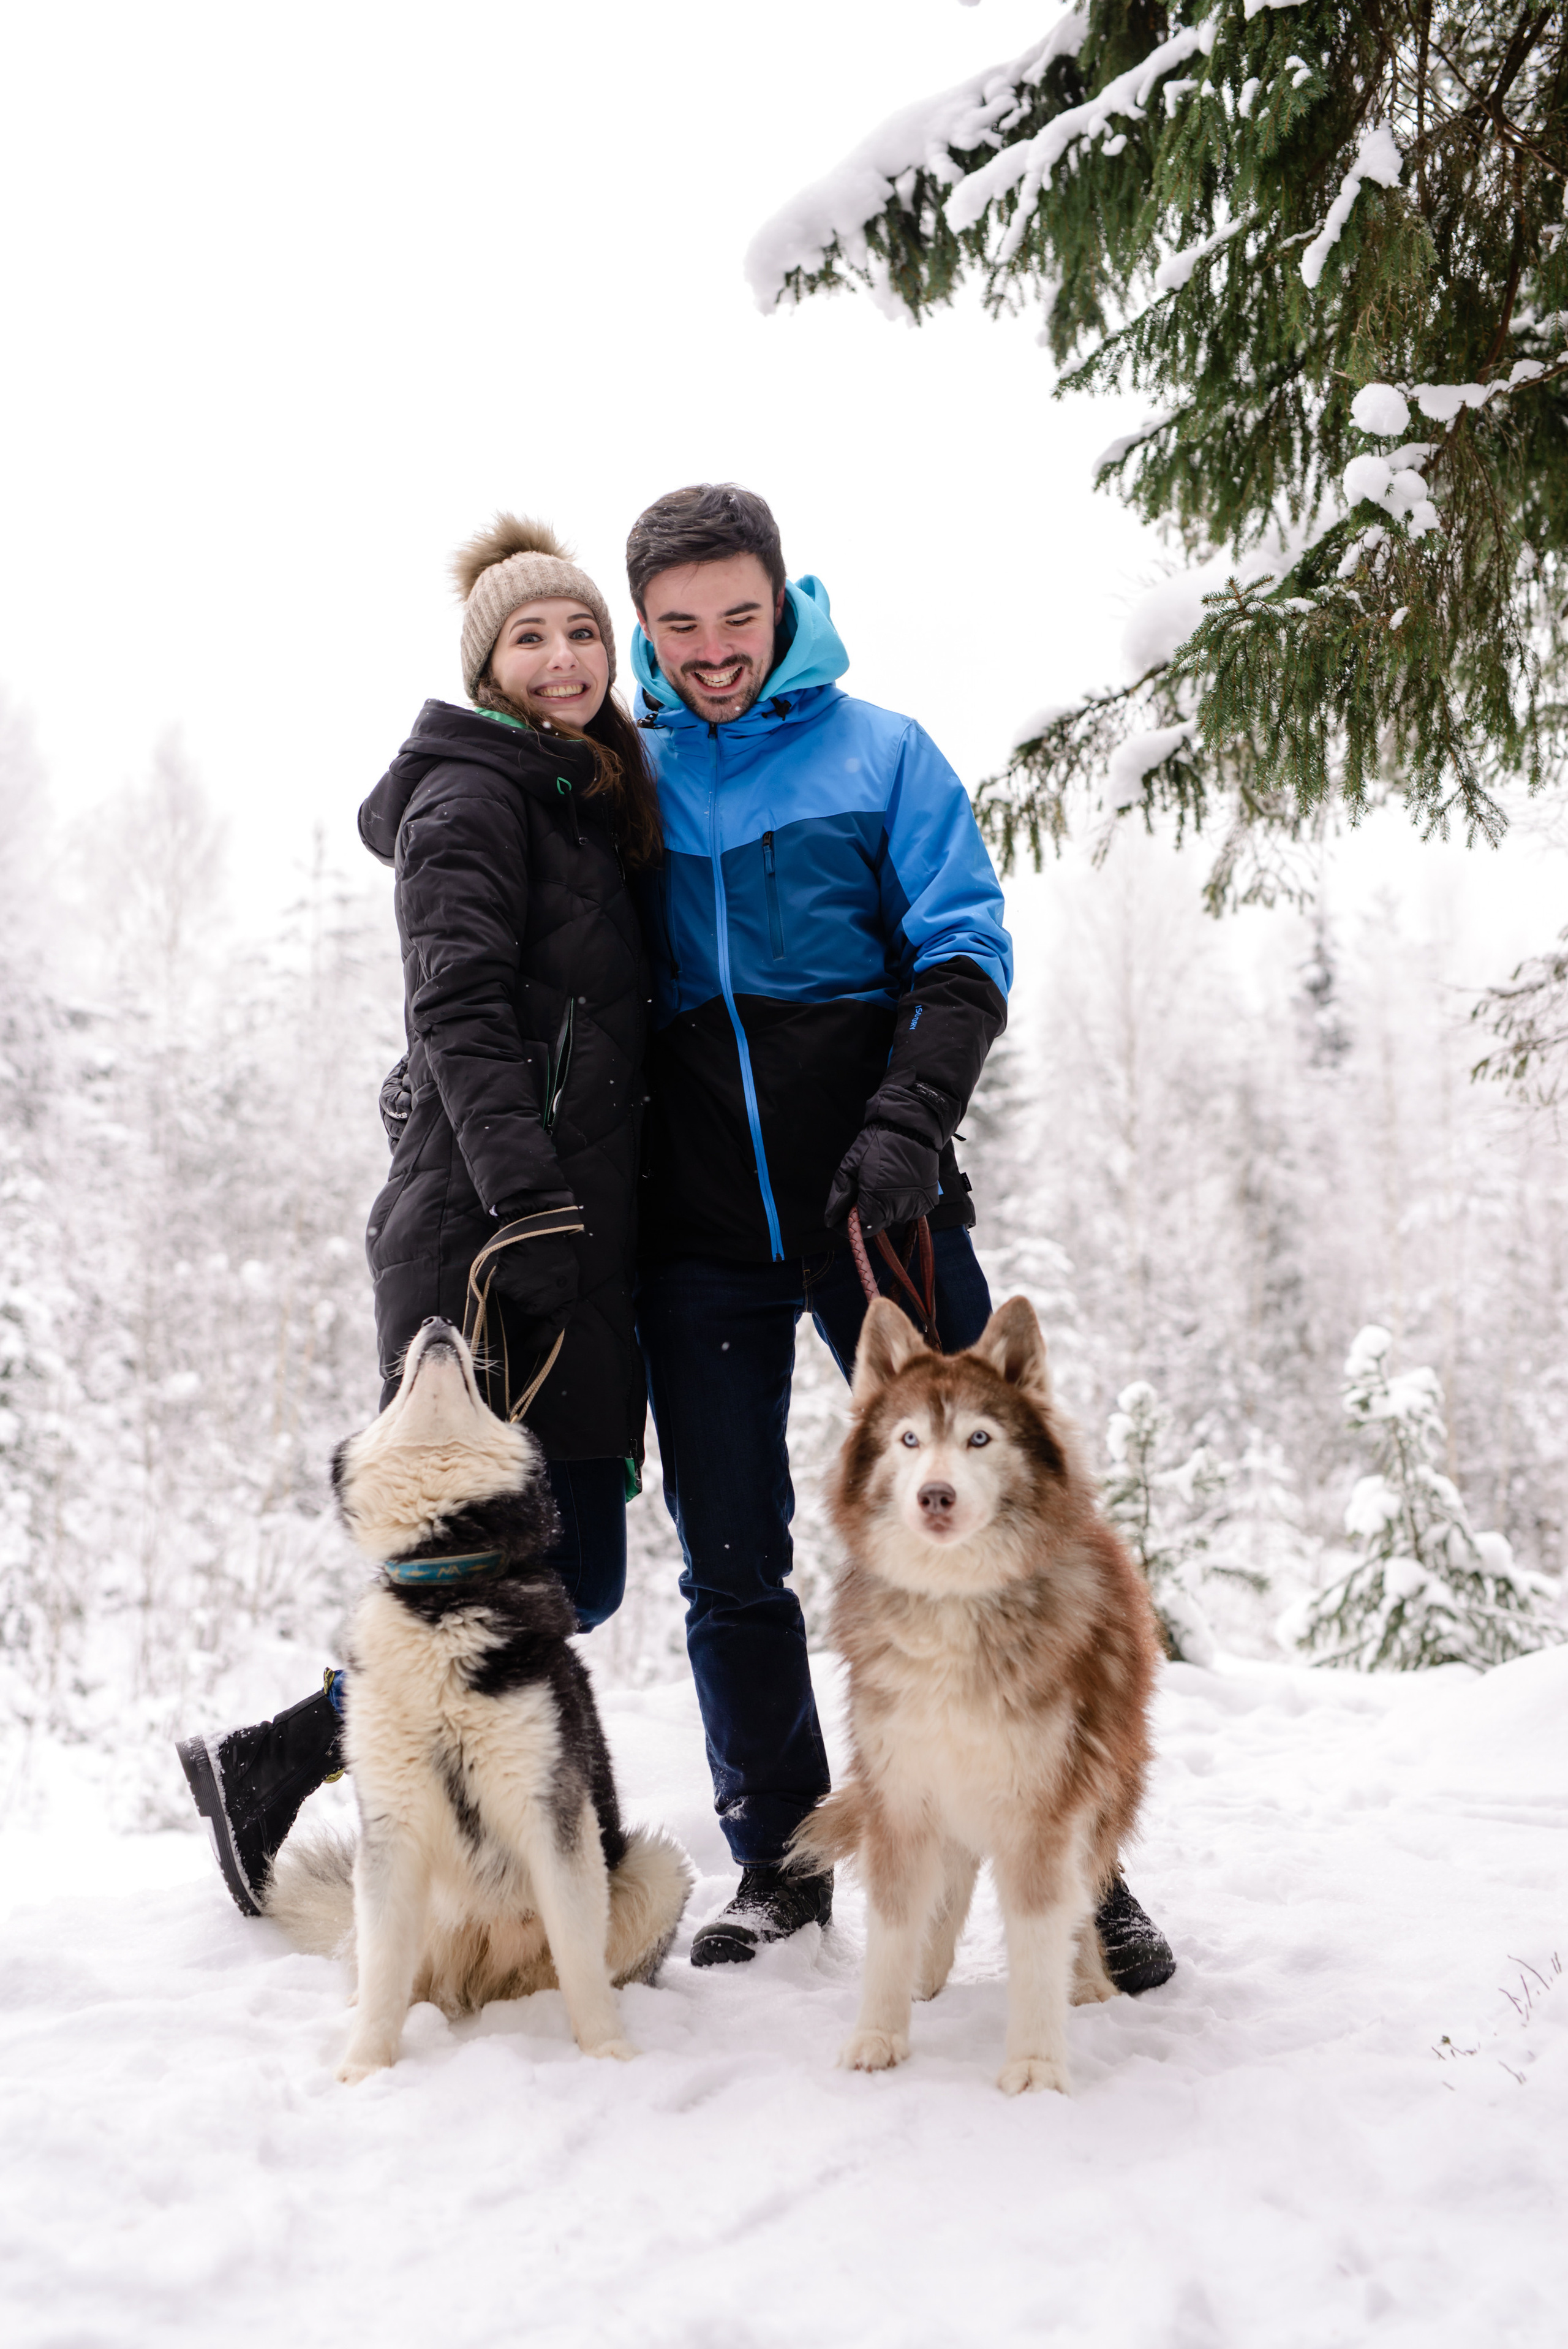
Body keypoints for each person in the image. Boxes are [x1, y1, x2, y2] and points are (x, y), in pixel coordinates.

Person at [626, 483, 1173, 1989]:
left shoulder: (880, 754)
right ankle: (783, 1868)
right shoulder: (624, 777)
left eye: (737, 615)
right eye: (678, 627)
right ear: (645, 630)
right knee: (731, 1566)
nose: (711, 650)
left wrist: (902, 1127)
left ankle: (1082, 1865)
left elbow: (962, 951)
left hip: (878, 1207)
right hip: (695, 1238)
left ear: (782, 601)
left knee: (1009, 1521)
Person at [176, 518, 662, 1916]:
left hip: (546, 1224)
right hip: (491, 1234)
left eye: (581, 633)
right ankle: (349, 1788)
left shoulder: (576, 795)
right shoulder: (474, 797)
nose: (563, 658)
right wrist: (523, 1198)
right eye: (531, 637)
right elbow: (452, 1008)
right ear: (488, 665)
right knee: (507, 1568)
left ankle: (297, 1771)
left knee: (557, 1566)